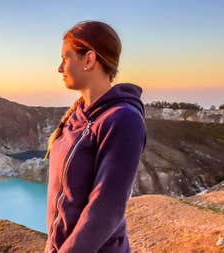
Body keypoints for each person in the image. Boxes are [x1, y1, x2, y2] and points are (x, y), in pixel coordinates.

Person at [43, 20, 147, 253]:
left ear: (89, 60)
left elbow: (105, 210)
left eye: (65, 58)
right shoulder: (77, 114)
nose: (59, 68)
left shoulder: (123, 120)